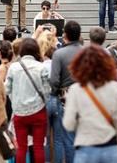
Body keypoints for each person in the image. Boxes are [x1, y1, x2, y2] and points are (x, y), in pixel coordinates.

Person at [63, 45, 117, 163]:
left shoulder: (75, 90)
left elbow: (68, 124)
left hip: (85, 146)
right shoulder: (116, 88)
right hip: (111, 147)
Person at [6, 38, 50, 163]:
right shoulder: (41, 67)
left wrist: (15, 102)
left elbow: (7, 89)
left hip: (20, 113)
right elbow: (47, 91)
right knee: (38, 146)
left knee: (21, 147)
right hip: (38, 111)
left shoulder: (13, 68)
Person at [50, 20, 84, 163]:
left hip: (65, 98)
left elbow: (54, 81)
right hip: (85, 97)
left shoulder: (59, 54)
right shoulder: (86, 52)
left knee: (61, 138)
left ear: (65, 35)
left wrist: (54, 93)